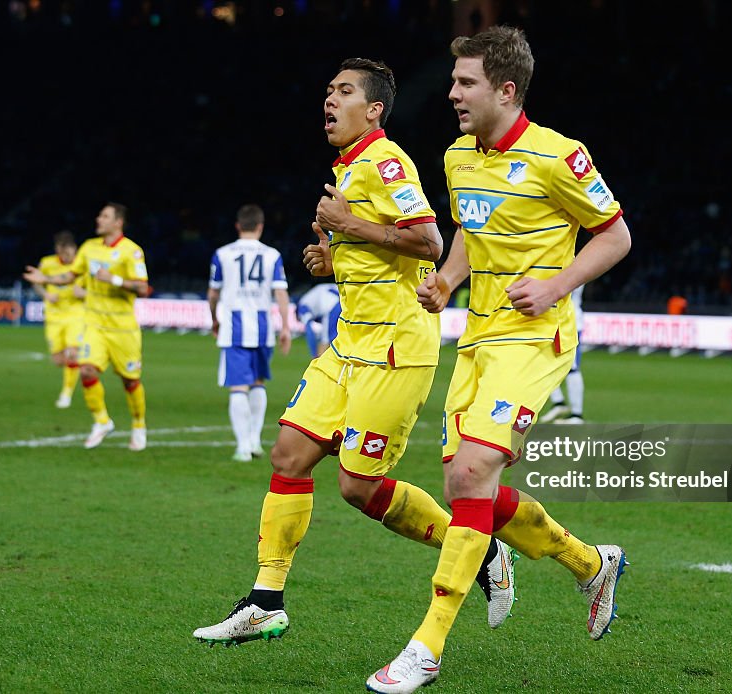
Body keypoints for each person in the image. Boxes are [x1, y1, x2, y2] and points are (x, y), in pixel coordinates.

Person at [192, 57, 516, 648]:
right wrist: (333, 258)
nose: (329, 100)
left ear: (373, 109)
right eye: (327, 90)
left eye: (343, 92)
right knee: (288, 456)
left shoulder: (386, 160)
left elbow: (429, 239)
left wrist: (350, 225)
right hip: (349, 343)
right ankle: (266, 602)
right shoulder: (348, 167)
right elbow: (380, 260)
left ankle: (478, 546)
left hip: (395, 349)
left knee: (359, 488)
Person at [369, 27, 633, 693]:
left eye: (467, 83)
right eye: (455, 81)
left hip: (535, 339)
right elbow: (469, 230)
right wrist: (448, 280)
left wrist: (555, 285)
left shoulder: (558, 158)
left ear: (506, 90)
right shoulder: (460, 156)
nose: (453, 93)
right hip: (478, 340)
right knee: (466, 485)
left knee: (477, 467)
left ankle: (425, 648)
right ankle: (589, 563)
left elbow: (616, 236)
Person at [23, 203, 150, 451]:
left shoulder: (131, 252)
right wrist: (46, 279)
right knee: (87, 371)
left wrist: (113, 279)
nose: (98, 219)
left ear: (118, 222)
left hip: (123, 329)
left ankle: (138, 425)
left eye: (105, 216)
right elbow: (71, 275)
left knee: (130, 381)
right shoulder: (89, 248)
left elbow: (143, 288)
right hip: (94, 324)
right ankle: (102, 421)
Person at [208, 204, 293, 462]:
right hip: (262, 328)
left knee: (238, 387)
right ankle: (254, 440)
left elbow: (213, 293)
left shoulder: (222, 254)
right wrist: (286, 327)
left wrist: (214, 318)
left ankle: (243, 446)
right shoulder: (272, 255)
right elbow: (280, 293)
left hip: (233, 328)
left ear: (238, 226)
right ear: (260, 226)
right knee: (258, 383)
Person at [32, 231, 87, 408]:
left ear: (74, 249)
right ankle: (74, 372)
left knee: (72, 354)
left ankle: (66, 394)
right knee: (58, 360)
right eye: (63, 253)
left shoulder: (82, 265)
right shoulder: (47, 263)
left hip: (76, 315)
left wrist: (84, 294)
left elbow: (95, 289)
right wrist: (46, 294)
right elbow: (36, 282)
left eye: (70, 253)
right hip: (53, 316)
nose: (66, 257)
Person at [539, 285, 585, 424]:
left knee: (572, 367)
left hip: (570, 322)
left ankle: (577, 415)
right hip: (550, 321)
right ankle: (559, 403)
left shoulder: (574, 265)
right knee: (543, 363)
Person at [295, 281, 341, 357]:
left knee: (325, 342)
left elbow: (310, 330)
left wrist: (314, 355)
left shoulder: (302, 306)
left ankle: (318, 366)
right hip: (345, 302)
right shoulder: (313, 294)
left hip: (331, 307)